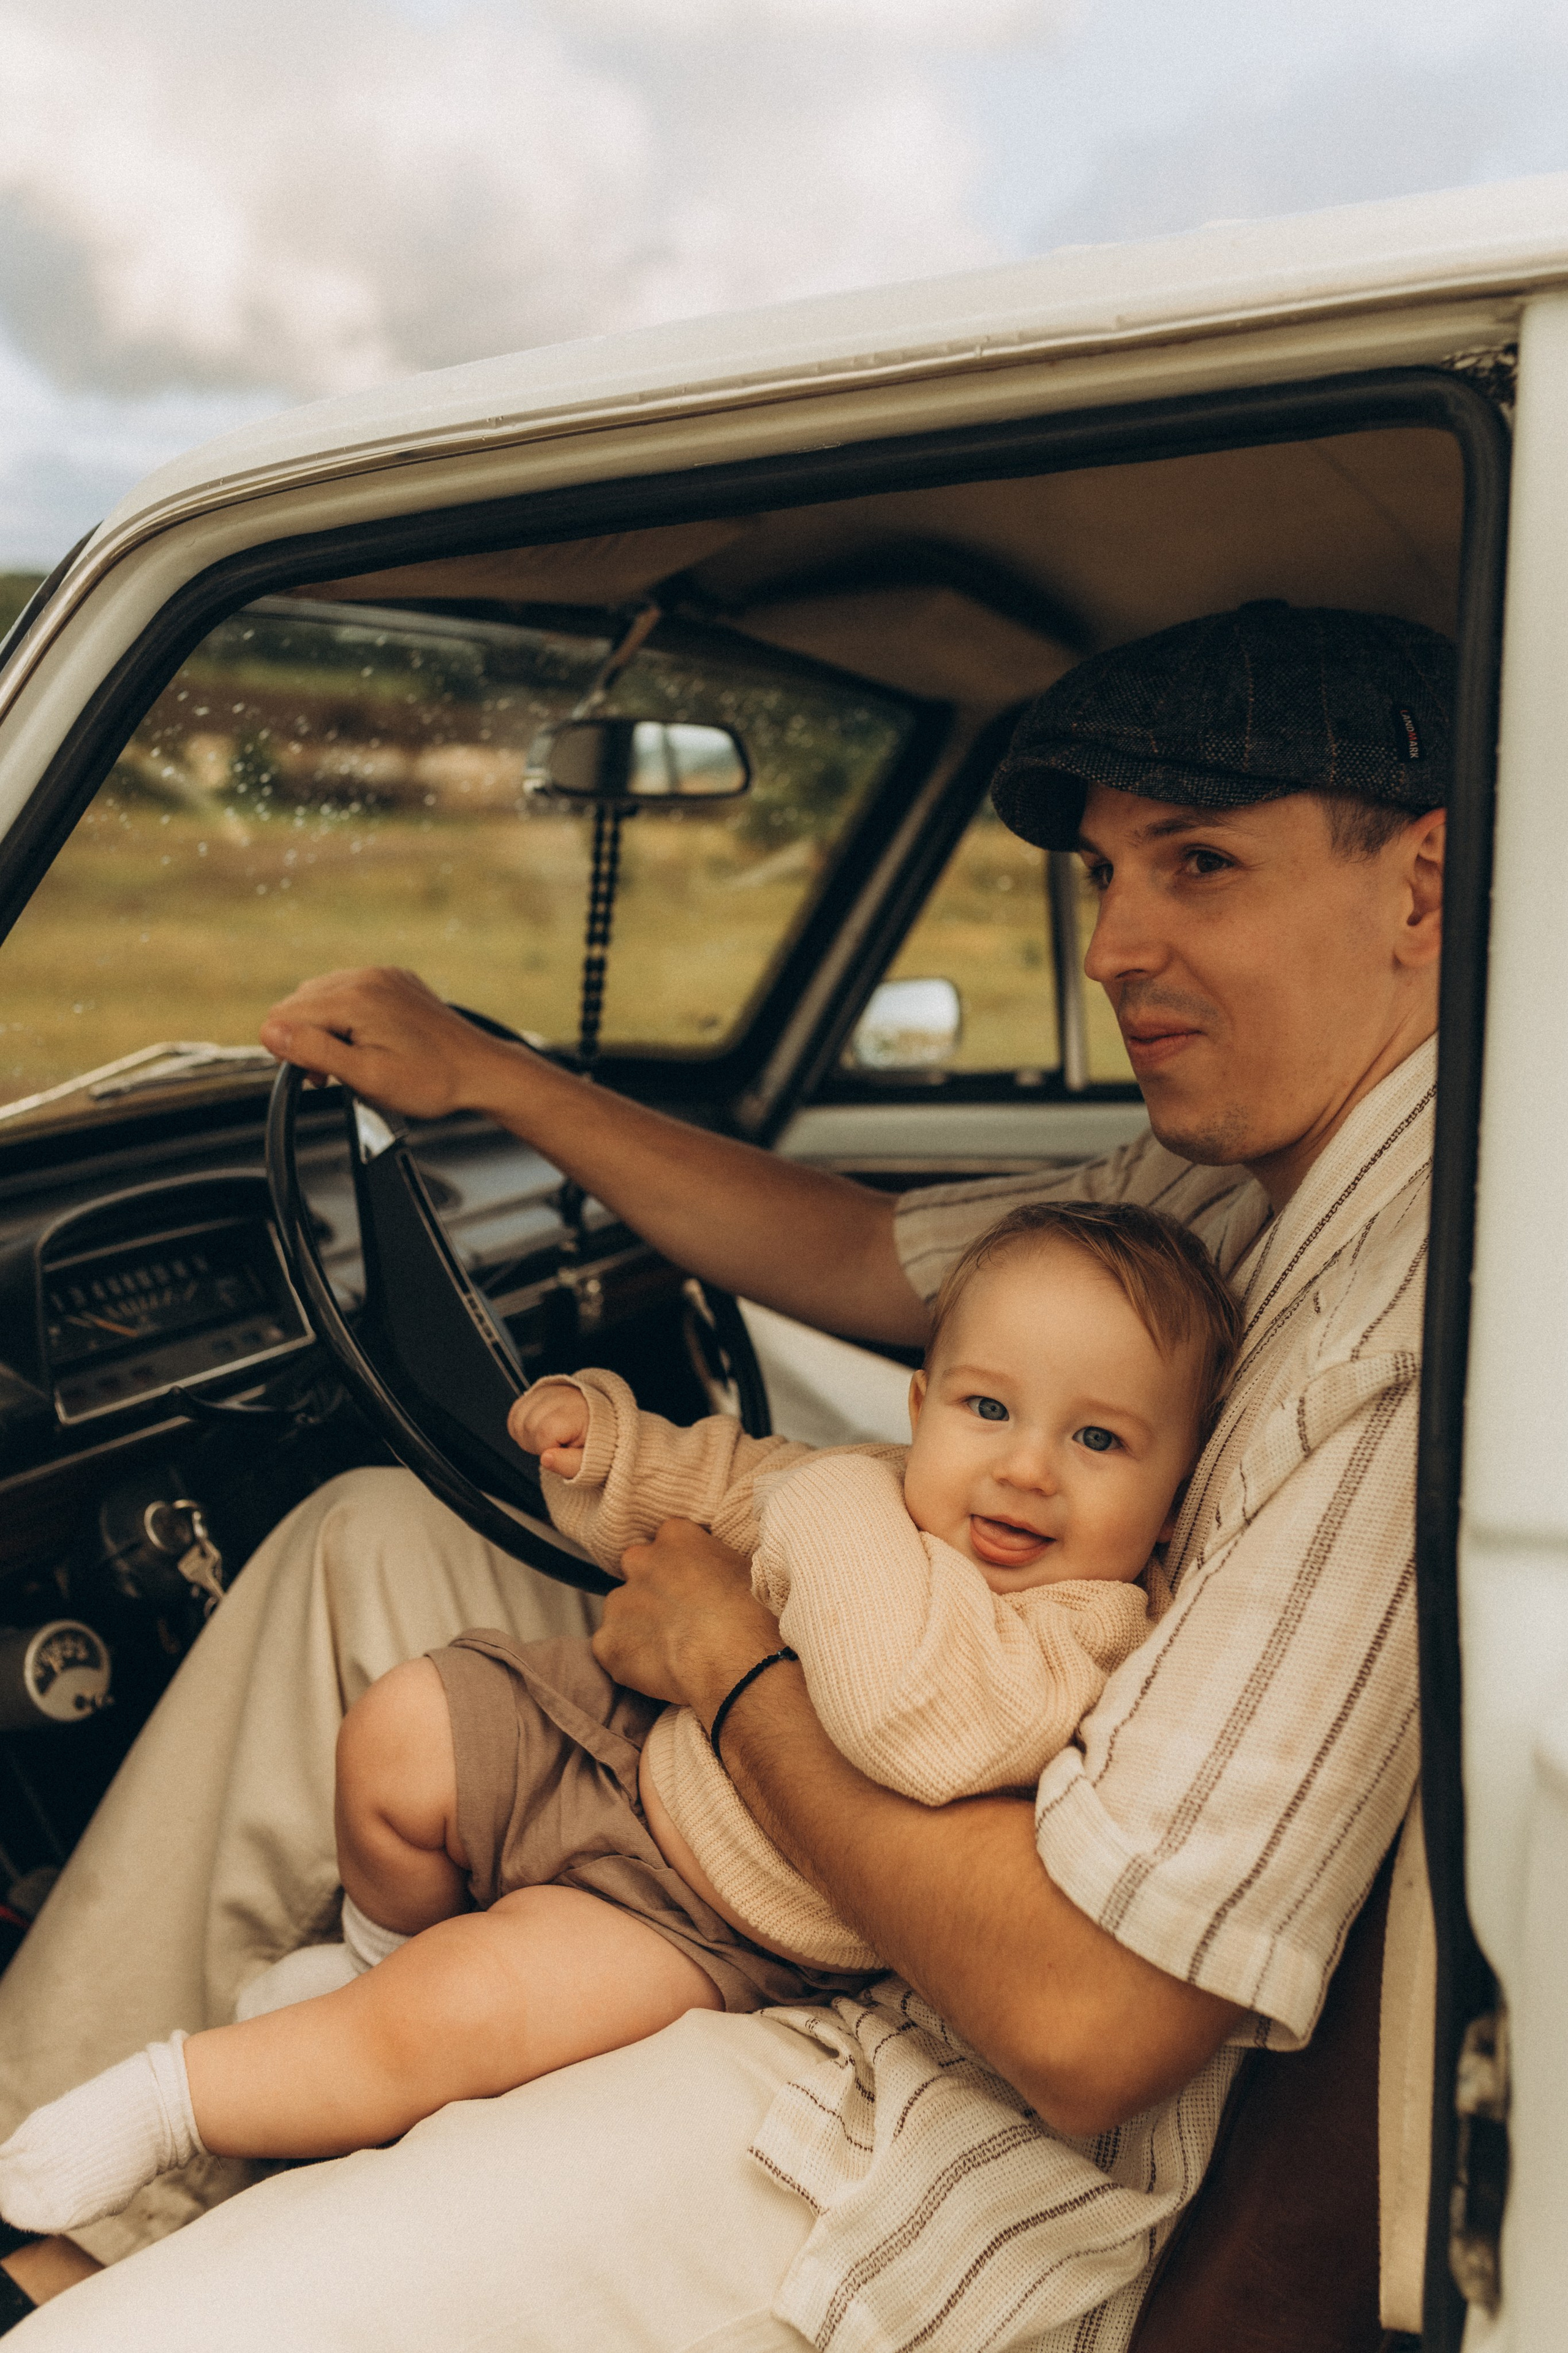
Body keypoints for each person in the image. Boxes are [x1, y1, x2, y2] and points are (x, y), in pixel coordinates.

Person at [0, 600, 1445, 2350]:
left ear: (1423, 890)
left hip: (914, 2098)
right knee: (372, 1541)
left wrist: (740, 1672)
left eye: (1199, 865)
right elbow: (866, 1251)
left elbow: (1087, 2024)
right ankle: (45, 2176)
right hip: (877, 1807)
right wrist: (489, 1078)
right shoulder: (1234, 1170)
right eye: (1103, 878)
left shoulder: (1414, 1314)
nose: (1116, 948)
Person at [0, 1203, 1240, 2230]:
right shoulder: (870, 1480)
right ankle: (369, 1955)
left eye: (1096, 1439)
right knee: (396, 1730)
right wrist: (606, 1445)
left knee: (463, 2008)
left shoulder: (1081, 1629)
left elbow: (905, 1720)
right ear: (919, 1408)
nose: (1026, 1468)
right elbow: (717, 1483)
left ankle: (173, 2100)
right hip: (630, 1738)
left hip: (708, 1921)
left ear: (1173, 1485)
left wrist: (831, 1504)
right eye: (987, 1410)